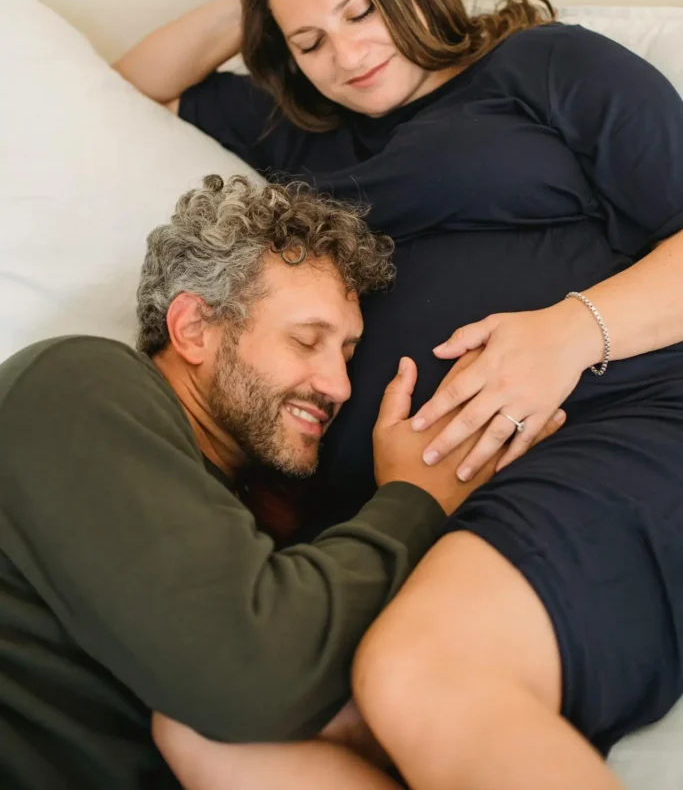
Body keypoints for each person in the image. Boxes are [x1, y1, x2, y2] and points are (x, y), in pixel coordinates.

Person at [115, 0, 683, 789]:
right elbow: (122, 93)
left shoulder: (545, 67)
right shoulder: (301, 138)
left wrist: (571, 334)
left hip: (608, 428)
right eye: (310, 41)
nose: (344, 52)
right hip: (404, 507)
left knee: (422, 673)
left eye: (360, 7)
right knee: (213, 726)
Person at [0, 174, 529, 790]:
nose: (338, 386)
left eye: (348, 355)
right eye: (306, 340)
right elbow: (256, 676)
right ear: (194, 328)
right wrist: (414, 498)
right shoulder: (78, 385)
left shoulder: (245, 510)